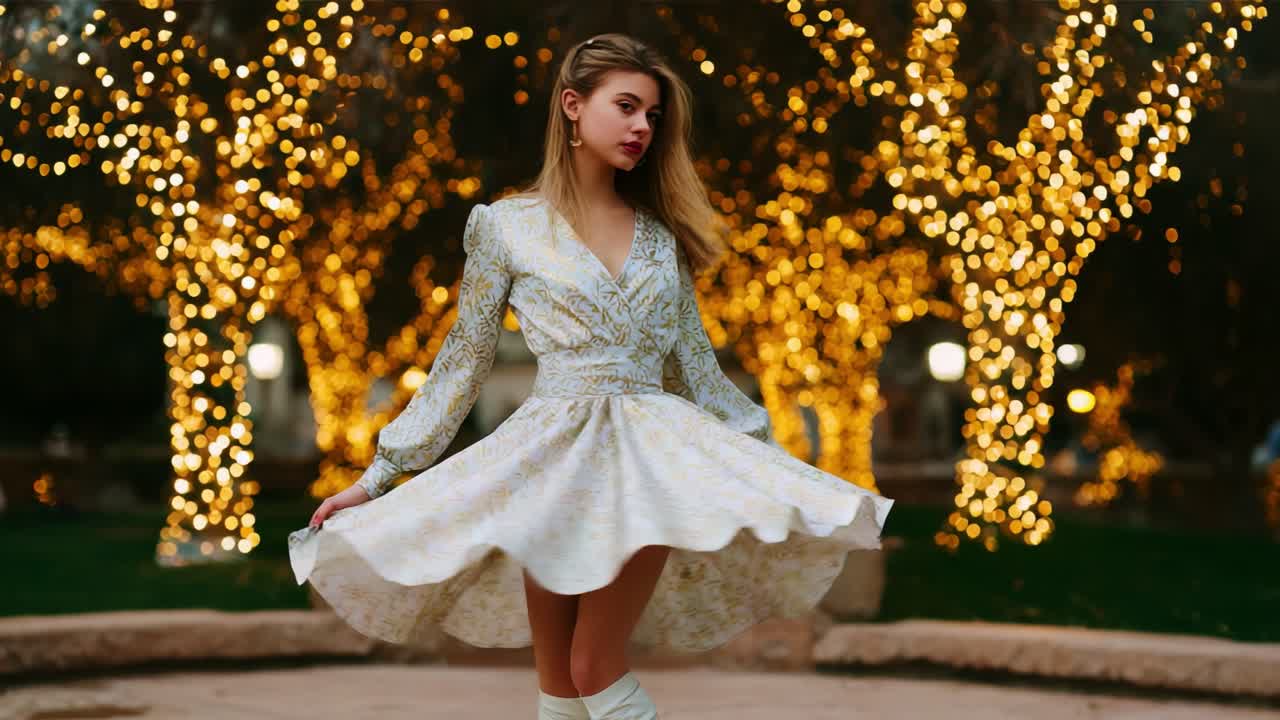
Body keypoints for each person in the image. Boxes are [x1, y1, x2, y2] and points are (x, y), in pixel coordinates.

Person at [288, 33, 894, 720]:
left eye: (653, 116)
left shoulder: (661, 239)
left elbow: (698, 372)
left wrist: (778, 473)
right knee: (560, 690)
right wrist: (378, 479)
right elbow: (462, 362)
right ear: (573, 107)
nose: (642, 127)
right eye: (628, 106)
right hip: (550, 464)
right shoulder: (506, 227)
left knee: (593, 668)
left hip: (646, 463)